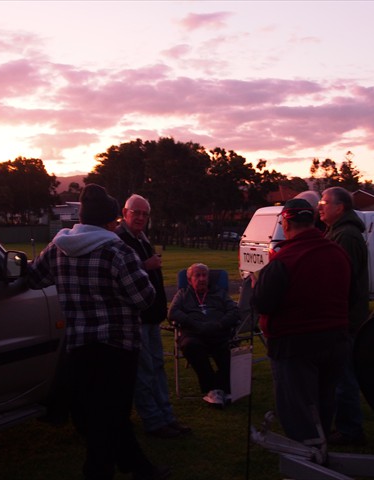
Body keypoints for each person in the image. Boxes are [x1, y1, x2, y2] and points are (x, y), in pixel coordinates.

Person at [27, 184, 170, 480]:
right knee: (111, 414)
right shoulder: (119, 251)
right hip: (118, 348)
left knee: (103, 412)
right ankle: (98, 470)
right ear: (110, 221)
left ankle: (138, 466)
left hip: (79, 345)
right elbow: (144, 298)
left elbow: (34, 278)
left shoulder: (57, 247)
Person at [252, 198, 350, 445]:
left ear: (286, 222)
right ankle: (323, 442)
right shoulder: (338, 253)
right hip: (335, 341)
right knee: (324, 401)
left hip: (294, 345)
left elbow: (263, 304)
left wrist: (257, 285)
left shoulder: (285, 260)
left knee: (297, 410)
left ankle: (307, 459)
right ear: (313, 220)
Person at [116, 194, 191, 439]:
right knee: (145, 372)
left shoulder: (140, 238)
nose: (140, 217)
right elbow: (120, 274)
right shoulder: (118, 240)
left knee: (157, 368)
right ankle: (153, 421)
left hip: (151, 318)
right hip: (136, 319)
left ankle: (167, 418)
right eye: (135, 212)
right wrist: (145, 265)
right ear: (124, 213)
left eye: (144, 214)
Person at [318, 186, 369, 446]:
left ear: (340, 207)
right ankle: (346, 425)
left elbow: (342, 281)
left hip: (345, 319)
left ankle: (350, 430)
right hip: (342, 316)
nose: (320, 207)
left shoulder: (346, 236)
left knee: (343, 375)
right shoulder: (337, 232)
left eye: (324, 202)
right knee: (339, 374)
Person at [168, 263, 240, 407]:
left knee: (228, 349)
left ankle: (221, 389)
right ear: (189, 280)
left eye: (204, 275)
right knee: (190, 346)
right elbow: (172, 313)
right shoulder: (183, 294)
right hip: (194, 334)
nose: (201, 279)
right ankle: (213, 389)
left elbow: (234, 311)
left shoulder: (219, 293)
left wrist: (220, 324)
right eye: (197, 275)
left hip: (218, 332)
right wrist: (193, 323)